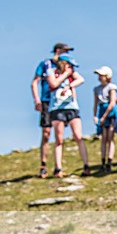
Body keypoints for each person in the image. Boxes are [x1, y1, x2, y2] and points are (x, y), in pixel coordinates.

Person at [31, 42, 73, 178]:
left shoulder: (66, 65)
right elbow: (35, 82)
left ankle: (58, 167)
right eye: (64, 51)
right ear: (57, 51)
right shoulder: (46, 64)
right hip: (46, 100)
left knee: (59, 134)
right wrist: (37, 99)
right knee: (46, 133)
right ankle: (43, 165)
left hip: (60, 102)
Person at [47, 54, 90, 177]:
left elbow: (81, 79)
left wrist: (70, 85)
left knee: (78, 136)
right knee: (59, 139)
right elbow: (53, 84)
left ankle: (86, 165)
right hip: (57, 108)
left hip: (72, 107)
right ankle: (58, 168)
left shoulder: (73, 74)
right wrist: (65, 75)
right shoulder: (52, 72)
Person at [93, 66, 117, 173]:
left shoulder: (111, 87)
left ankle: (109, 160)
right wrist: (95, 115)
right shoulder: (97, 89)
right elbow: (95, 103)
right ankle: (103, 161)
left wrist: (104, 116)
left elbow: (112, 102)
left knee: (110, 137)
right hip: (102, 110)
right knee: (104, 137)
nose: (100, 77)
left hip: (110, 112)